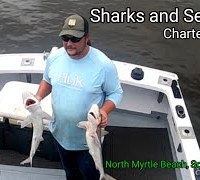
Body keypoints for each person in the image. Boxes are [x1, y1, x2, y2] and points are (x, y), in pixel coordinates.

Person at [34, 14, 123, 180]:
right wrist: (37, 98)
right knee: (70, 174)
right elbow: (47, 81)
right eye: (65, 38)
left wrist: (104, 111)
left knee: (90, 175)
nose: (69, 44)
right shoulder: (54, 58)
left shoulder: (103, 65)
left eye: (74, 39)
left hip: (87, 142)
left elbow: (116, 93)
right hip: (60, 134)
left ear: (87, 38)